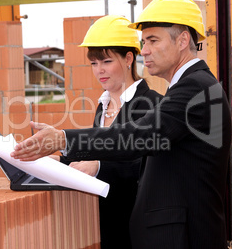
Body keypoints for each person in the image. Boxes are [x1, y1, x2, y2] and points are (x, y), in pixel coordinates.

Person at [11, 0, 232, 249]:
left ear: (183, 39)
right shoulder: (191, 87)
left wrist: (63, 139)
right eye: (143, 42)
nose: (144, 51)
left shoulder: (196, 88)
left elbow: (140, 136)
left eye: (152, 40)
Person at [55, 15, 162, 249]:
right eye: (94, 63)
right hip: (106, 222)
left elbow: (147, 165)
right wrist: (57, 157)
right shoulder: (103, 106)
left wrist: (99, 167)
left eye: (106, 61)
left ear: (128, 58)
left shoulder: (152, 105)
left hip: (136, 226)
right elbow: (97, 151)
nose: (99, 70)